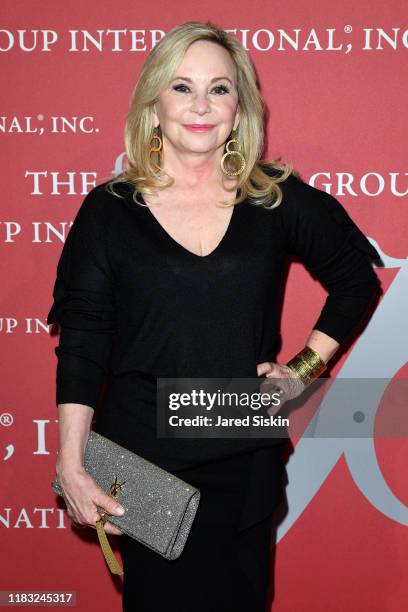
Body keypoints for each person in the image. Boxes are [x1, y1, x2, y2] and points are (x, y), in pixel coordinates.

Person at [47, 20, 382, 612]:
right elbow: (83, 337)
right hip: (145, 460)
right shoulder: (108, 212)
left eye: (219, 89)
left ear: (240, 107)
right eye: (181, 88)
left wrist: (303, 367)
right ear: (153, 105)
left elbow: (356, 278)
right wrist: (71, 463)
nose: (201, 106)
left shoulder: (273, 199)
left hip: (242, 445)